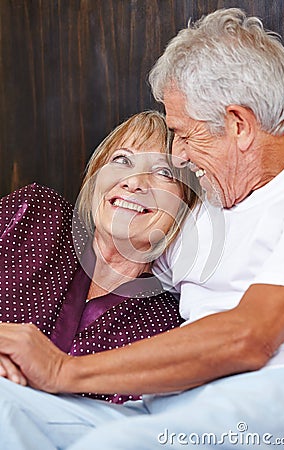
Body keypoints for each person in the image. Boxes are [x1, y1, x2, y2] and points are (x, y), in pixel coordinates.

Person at [0, 7, 284, 450]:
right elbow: (123, 232)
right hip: (168, 401)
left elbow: (248, 337)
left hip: (267, 392)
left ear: (239, 125)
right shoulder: (208, 201)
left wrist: (62, 369)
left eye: (182, 132)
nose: (178, 156)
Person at [0, 110, 198, 404]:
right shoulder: (35, 214)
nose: (133, 182)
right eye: (122, 160)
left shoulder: (166, 325)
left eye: (164, 173)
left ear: (185, 206)